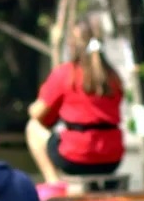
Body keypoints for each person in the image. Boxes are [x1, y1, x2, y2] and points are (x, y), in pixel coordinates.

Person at [27, 21, 125, 185]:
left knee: (32, 127)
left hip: (76, 157)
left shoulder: (66, 73)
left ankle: (54, 184)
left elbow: (38, 113)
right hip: (111, 159)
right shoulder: (113, 77)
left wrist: (31, 108)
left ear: (72, 45)